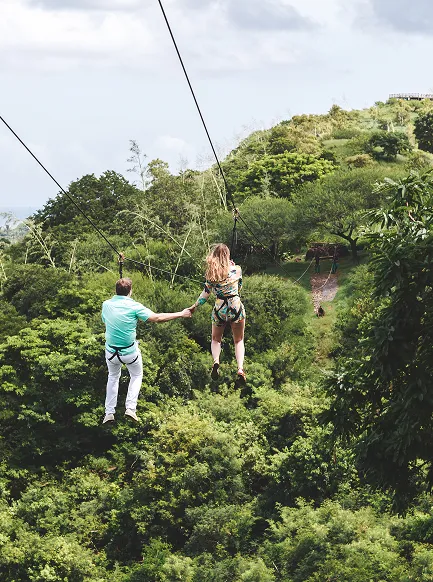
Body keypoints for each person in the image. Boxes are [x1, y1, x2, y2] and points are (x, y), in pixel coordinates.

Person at [101, 277, 192, 424]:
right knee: (136, 375)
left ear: (115, 291)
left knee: (113, 377)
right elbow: (157, 318)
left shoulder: (106, 305)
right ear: (130, 291)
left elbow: (107, 321)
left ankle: (109, 413)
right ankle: (130, 408)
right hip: (129, 353)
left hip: (111, 352)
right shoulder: (134, 306)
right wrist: (181, 314)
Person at [189, 243, 246, 386]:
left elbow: (205, 294)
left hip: (220, 308)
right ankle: (240, 369)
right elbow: (239, 287)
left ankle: (216, 361)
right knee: (238, 340)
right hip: (235, 306)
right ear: (227, 256)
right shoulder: (237, 269)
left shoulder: (211, 274)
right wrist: (232, 267)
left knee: (216, 339)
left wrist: (194, 306)